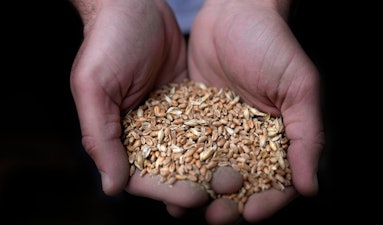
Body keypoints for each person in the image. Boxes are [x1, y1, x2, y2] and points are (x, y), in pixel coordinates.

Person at [68, 0, 325, 224]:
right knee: (121, 184)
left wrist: (261, 3)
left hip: (270, 29)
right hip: (131, 48)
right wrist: (106, 5)